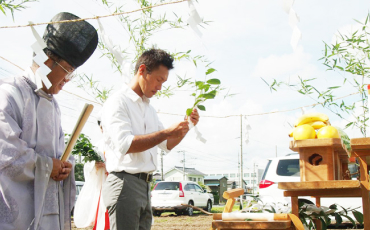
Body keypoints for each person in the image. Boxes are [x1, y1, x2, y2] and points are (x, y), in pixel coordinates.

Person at [0, 12, 98, 230]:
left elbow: (60, 151)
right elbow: (6, 155)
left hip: (49, 213)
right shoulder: (8, 94)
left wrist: (65, 165)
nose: (67, 81)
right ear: (46, 61)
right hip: (15, 217)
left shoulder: (53, 106)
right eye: (68, 72)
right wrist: (46, 166)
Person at [101, 48, 200, 230]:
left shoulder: (149, 109)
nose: (160, 87)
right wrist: (167, 132)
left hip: (145, 186)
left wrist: (186, 127)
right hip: (124, 184)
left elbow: (166, 144)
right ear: (142, 70)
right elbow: (126, 144)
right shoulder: (118, 102)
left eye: (164, 81)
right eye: (158, 79)